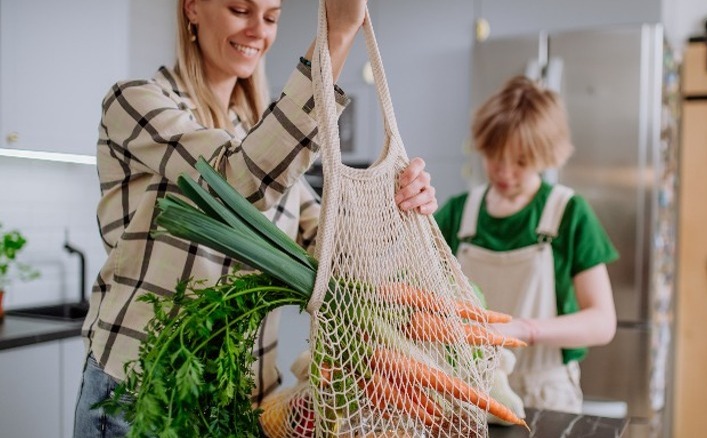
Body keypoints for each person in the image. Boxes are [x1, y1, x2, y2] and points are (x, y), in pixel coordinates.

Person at [73, 0, 437, 435]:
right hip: (143, 395)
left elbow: (333, 253)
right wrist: (335, 37)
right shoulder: (134, 103)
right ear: (192, 9)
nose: (256, 31)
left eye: (270, 17)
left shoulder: (263, 140)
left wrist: (394, 205)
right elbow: (236, 181)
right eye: (240, 9)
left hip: (240, 404)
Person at [434, 75, 617, 414]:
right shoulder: (459, 212)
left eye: (520, 162)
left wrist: (524, 329)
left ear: (546, 155)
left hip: (544, 394)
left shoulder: (569, 213)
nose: (504, 172)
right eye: (493, 156)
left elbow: (602, 322)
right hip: (467, 392)